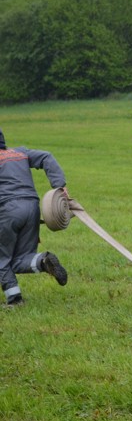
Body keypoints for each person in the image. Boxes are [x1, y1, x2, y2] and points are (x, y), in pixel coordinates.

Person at [0, 127, 69, 306]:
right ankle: (44, 261)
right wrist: (59, 185)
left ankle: (14, 300)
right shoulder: (20, 153)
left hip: (8, 209)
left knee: (2, 259)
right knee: (19, 259)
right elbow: (46, 156)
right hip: (32, 206)